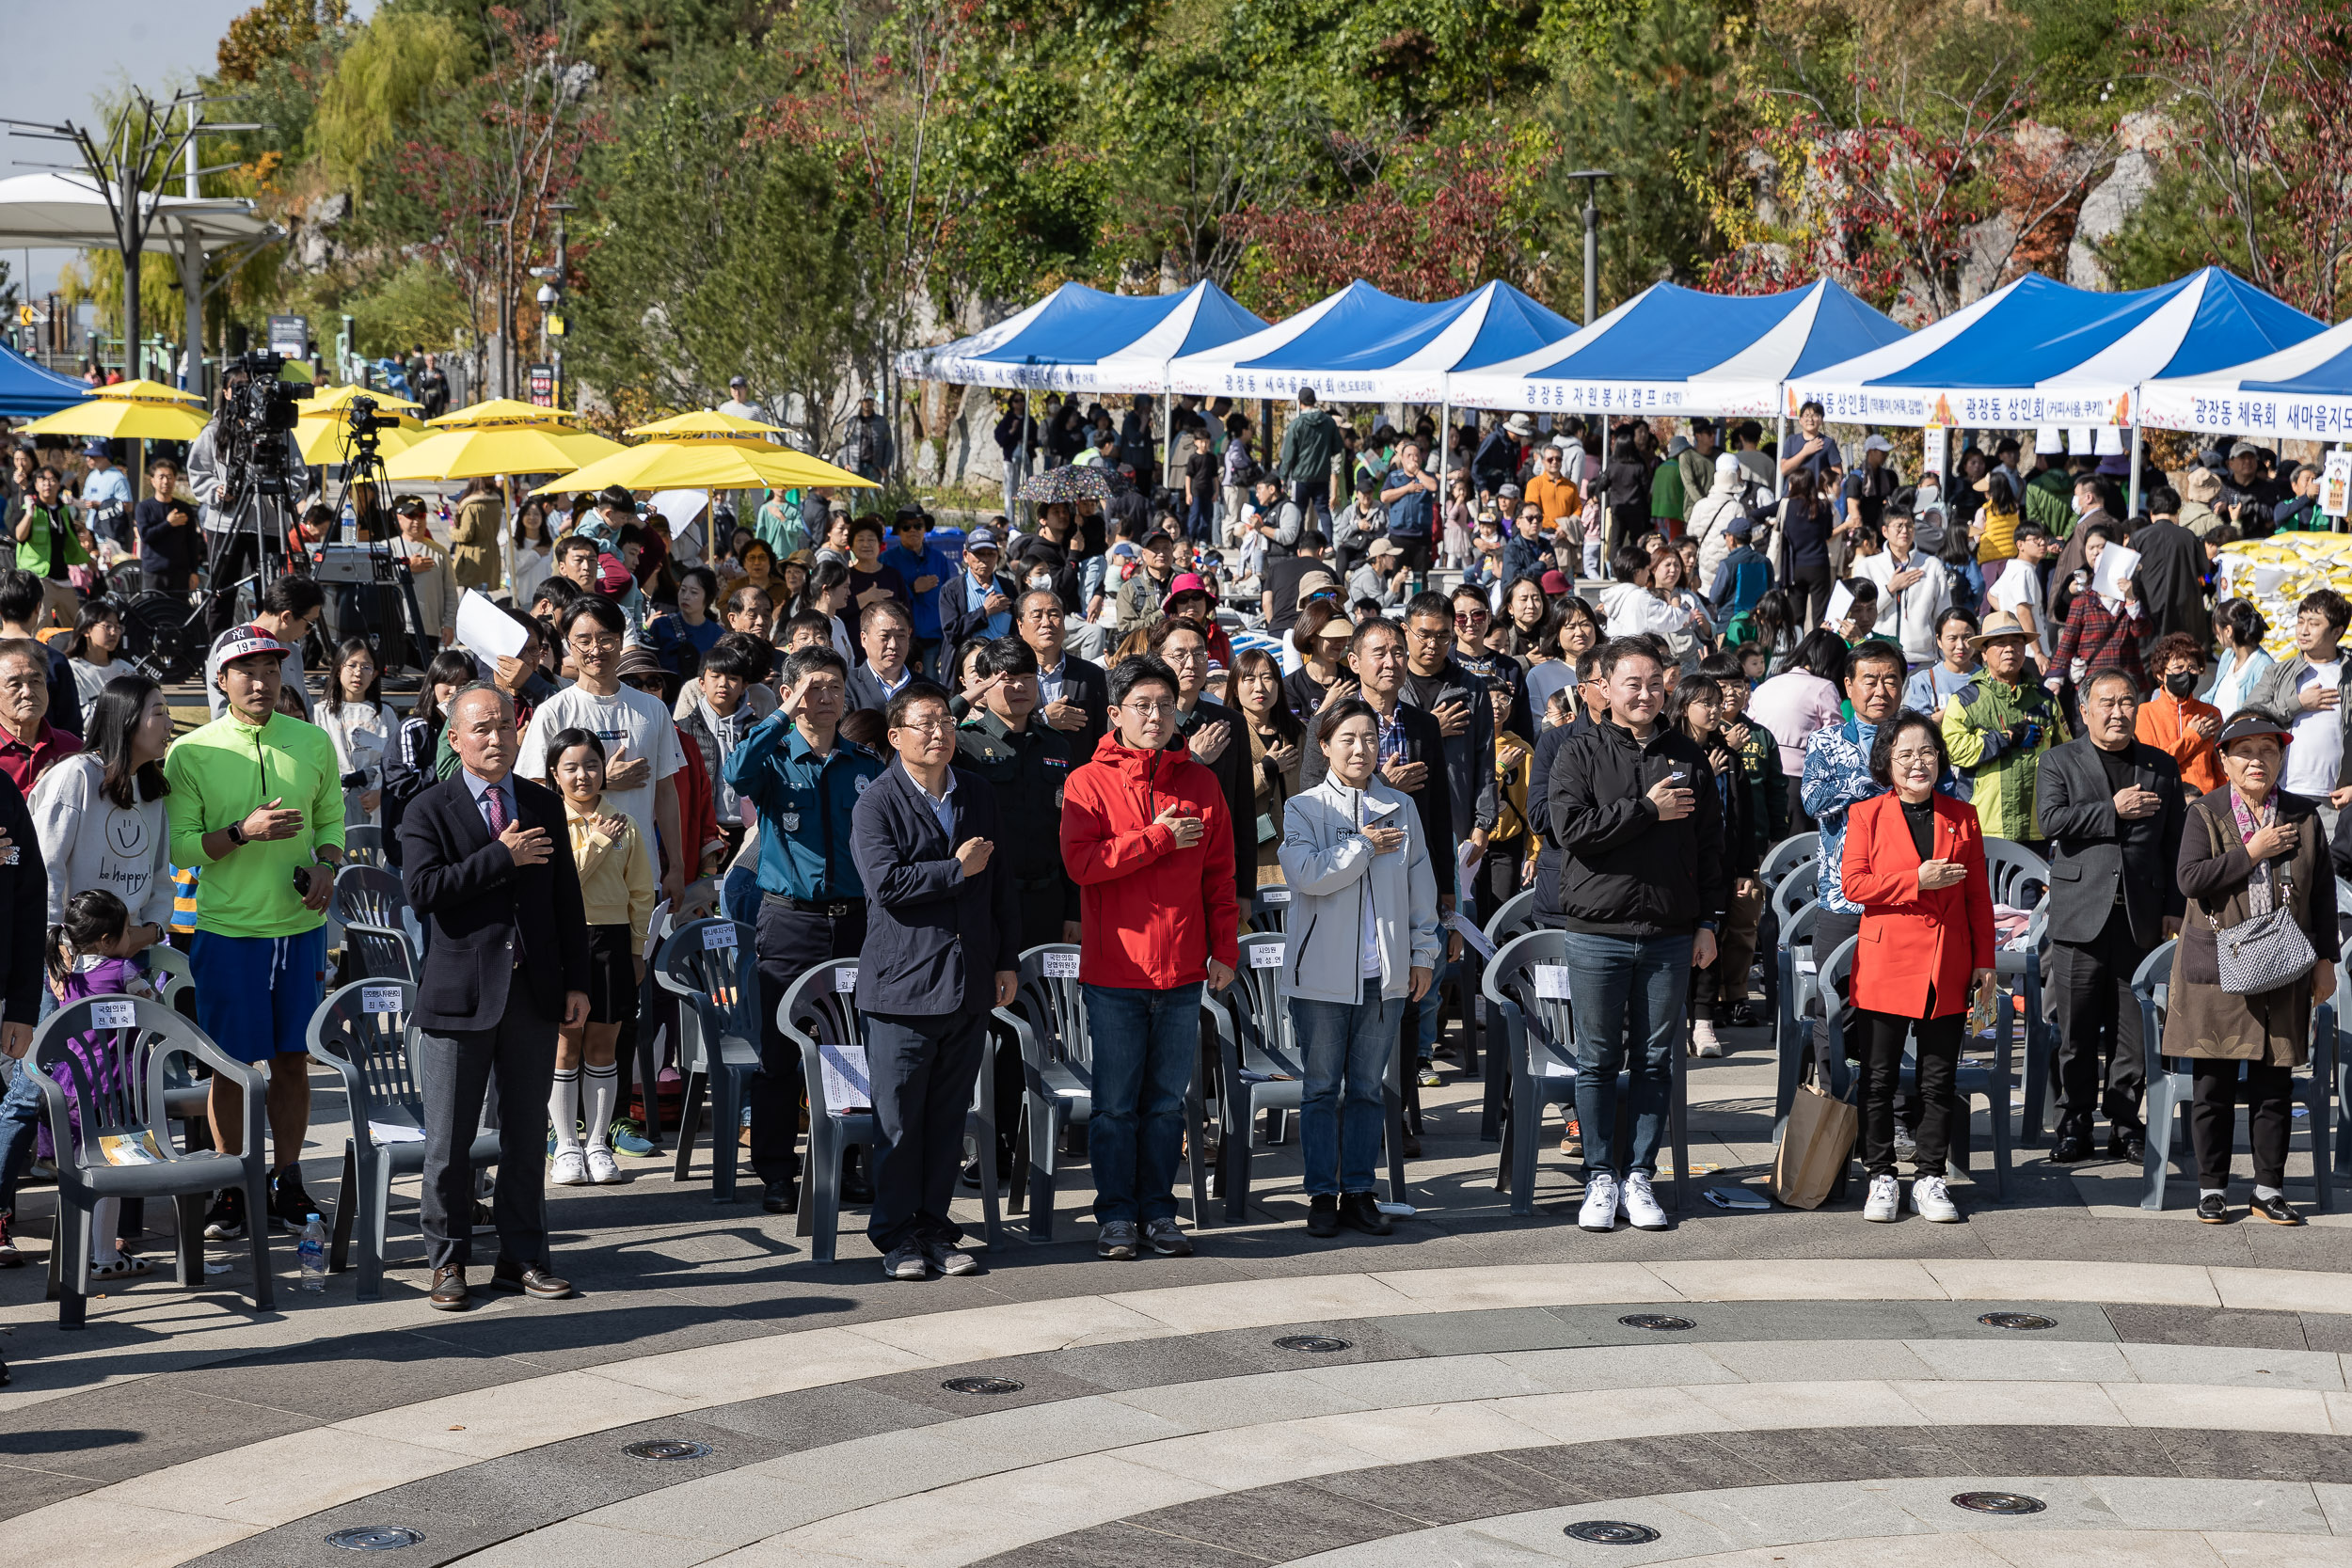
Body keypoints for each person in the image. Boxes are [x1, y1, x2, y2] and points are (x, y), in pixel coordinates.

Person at [399, 686, 589, 1308]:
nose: (496, 737)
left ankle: (523, 1257)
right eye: (481, 727)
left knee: (527, 1136)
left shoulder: (540, 801)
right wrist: (500, 856)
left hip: (532, 993)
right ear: (455, 739)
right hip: (458, 996)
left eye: (505, 725)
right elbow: (426, 890)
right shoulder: (429, 807)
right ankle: (448, 1262)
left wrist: (576, 982)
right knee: (449, 1142)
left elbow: (566, 898)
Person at [165, 623, 342, 1241]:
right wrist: (243, 831)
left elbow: (331, 817)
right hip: (227, 930)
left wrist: (328, 862)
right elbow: (182, 845)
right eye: (247, 669)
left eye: (272, 667)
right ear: (221, 680)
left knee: (293, 1059)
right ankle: (236, 1186)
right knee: (232, 1065)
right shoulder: (192, 752)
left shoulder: (313, 741)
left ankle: (287, 1181)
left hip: (300, 928)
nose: (262, 680)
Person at [1061, 654, 1237, 1259]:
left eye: (1165, 704)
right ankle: (1114, 1214)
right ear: (1115, 714)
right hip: (1115, 970)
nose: (1156, 716)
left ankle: (1159, 1211)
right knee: (1114, 1105)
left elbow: (1220, 877)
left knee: (1166, 1104)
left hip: (1184, 967)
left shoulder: (1201, 782)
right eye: (1142, 705)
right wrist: (1158, 837)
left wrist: (1226, 949)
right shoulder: (1088, 781)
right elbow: (1082, 865)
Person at [1548, 638, 1724, 1233]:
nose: (1645, 694)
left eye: (1655, 683)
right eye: (1632, 683)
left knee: (1655, 1060)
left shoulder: (1688, 758)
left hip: (1671, 931)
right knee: (1596, 1058)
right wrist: (1645, 810)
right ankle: (1600, 1174)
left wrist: (1707, 922)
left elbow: (1709, 850)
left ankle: (1639, 1174)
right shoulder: (1579, 752)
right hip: (1598, 929)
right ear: (1605, 687)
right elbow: (1570, 829)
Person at [849, 682, 1018, 1278]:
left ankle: (934, 1227)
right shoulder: (876, 801)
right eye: (924, 724)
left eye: (945, 721)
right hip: (903, 988)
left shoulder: (976, 791)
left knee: (947, 1121)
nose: (939, 732)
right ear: (895, 737)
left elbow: (1000, 886)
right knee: (899, 1122)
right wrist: (954, 869)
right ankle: (895, 1235)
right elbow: (886, 886)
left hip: (968, 980)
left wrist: (1006, 962)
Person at [1277, 696, 1440, 1239]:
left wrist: (1422, 953)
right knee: (1322, 1088)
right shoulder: (1304, 808)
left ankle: (1360, 1189)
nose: (1360, 749)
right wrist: (1361, 846)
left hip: (1384, 975)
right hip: (1320, 978)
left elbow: (1422, 888)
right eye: (1347, 738)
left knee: (1369, 1088)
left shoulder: (1402, 807)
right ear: (1323, 747)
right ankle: (1322, 1193)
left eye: (1370, 738)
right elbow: (1307, 875)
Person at [2169, 713, 2339, 1226]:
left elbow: (2325, 893)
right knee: (2212, 1084)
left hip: (2285, 963)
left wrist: (2326, 959)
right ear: (2224, 760)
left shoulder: (2303, 815)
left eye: (2268, 750)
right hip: (2220, 965)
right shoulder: (2205, 812)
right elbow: (2190, 880)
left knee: (2275, 1082)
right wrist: (2252, 851)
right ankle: (2212, 1187)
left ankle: (2268, 1188)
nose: (2257, 760)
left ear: (2281, 758)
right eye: (2244, 751)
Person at [1839, 710, 1994, 1224]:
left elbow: (1977, 896)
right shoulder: (1866, 814)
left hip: (1947, 961)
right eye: (1905, 754)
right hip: (1886, 960)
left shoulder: (1962, 814)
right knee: (1879, 1077)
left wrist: (1985, 962)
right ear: (1887, 761)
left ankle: (1930, 1176)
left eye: (1926, 751)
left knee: (1937, 1077)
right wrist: (1916, 880)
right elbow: (1854, 886)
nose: (1917, 762)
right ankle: (1880, 1174)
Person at [2035, 669, 2185, 1165]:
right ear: (2085, 710)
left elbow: (2174, 845)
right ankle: (2073, 1124)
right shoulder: (2059, 760)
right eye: (2107, 702)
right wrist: (2112, 809)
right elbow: (2051, 822)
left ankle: (2125, 1123)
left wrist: (2173, 911)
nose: (2118, 711)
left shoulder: (2161, 765)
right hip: (2080, 916)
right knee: (2074, 1032)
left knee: (2134, 1034)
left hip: (2140, 918)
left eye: (2126, 701)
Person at [543, 727, 657, 1188]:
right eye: (570, 767)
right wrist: (597, 842)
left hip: (611, 942)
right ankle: (567, 1143)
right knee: (566, 1043)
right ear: (554, 774)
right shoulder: (548, 823)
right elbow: (564, 884)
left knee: (604, 1045)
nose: (582, 775)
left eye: (591, 764)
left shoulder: (624, 823)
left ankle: (599, 1145)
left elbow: (641, 892)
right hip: (565, 941)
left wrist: (636, 949)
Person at [1797, 640, 1908, 1048]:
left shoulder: (1915, 740)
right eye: (1870, 681)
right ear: (1848, 685)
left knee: (1898, 1008)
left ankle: (1892, 1105)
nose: (1880, 691)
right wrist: (1870, 782)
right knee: (1837, 1007)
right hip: (1843, 896)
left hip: (1904, 896)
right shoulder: (1826, 742)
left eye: (1891, 680)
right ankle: (1836, 1102)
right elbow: (1813, 801)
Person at [1940, 610, 2068, 847]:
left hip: (2036, 826)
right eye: (2000, 643)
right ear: (1984, 654)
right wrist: (2007, 738)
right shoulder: (1966, 700)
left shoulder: (2045, 699)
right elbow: (1954, 751)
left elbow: (2066, 753)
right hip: (1985, 826)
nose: (2010, 649)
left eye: (2016, 643)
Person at [2244, 591, 2352, 806]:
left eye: (2313, 624)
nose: (2303, 630)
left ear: (2336, 631)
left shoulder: (2348, 675)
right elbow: (2248, 716)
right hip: (2283, 794)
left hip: (2337, 801)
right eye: (2300, 621)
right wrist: (2298, 704)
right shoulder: (2277, 673)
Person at [1231, 647, 1304, 888]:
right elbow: (1224, 795)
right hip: (1249, 862)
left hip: (1300, 856)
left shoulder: (1299, 732)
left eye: (1268, 677)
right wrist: (1267, 769)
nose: (1259, 687)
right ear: (1235, 687)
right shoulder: (1225, 735)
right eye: (1249, 679)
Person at [204, 575, 324, 723]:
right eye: (310, 623)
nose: (308, 631)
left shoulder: (293, 650)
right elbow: (221, 712)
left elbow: (305, 708)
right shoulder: (230, 643)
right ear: (286, 617)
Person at [1017, 586, 1109, 759]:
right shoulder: (1009, 676)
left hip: (1077, 777)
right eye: (1037, 616)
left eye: (1054, 614)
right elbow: (1002, 728)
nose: (1046, 622)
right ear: (1020, 626)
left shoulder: (1091, 675)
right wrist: (1043, 720)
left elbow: (1102, 734)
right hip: (1025, 776)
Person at [1854, 511, 1947, 666]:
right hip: (1879, 655)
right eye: (1899, 526)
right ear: (1885, 531)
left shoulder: (1931, 565)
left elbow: (1943, 615)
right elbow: (1859, 612)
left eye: (1909, 526)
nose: (1905, 531)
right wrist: (1890, 589)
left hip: (1923, 657)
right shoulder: (1868, 566)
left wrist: (1944, 657)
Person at [2137, 632, 2224, 798]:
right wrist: (2193, 737)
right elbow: (2153, 765)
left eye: (2192, 668)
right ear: (2160, 674)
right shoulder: (2145, 714)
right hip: (2164, 802)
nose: (2186, 673)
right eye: (2178, 668)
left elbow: (2221, 767)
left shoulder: (2210, 714)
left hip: (2206, 802)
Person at [315, 637, 389, 826]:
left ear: (374, 674)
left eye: (366, 667)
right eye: (352, 665)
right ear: (339, 668)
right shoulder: (319, 712)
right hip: (332, 797)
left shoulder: (384, 713)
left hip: (373, 796)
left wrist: (380, 793)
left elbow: (395, 761)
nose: (358, 673)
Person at [2130, 486, 2210, 650]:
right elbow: (2203, 569)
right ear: (2177, 512)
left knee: (2151, 664)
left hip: (2149, 613)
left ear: (2151, 512)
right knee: (2183, 663)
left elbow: (2131, 578)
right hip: (2184, 614)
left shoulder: (2139, 538)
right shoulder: (2189, 536)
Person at [8, 465, 87, 625]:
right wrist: (29, 514)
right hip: (39, 576)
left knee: (77, 625)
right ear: (36, 485)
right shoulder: (30, 506)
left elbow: (71, 538)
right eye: (42, 480)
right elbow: (19, 536)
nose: (47, 484)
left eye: (52, 480)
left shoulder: (62, 509)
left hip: (62, 577)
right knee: (41, 623)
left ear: (59, 484)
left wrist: (87, 560)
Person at [882, 509, 954, 672]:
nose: (913, 530)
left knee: (930, 688)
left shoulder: (939, 559)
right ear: (899, 532)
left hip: (933, 638)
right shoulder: (887, 560)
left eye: (918, 526)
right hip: (898, 638)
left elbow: (947, 599)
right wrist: (912, 589)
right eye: (906, 527)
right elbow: (885, 598)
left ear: (925, 530)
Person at [936, 526, 1014, 654]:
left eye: (991, 554)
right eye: (979, 554)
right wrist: (984, 612)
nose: (985, 559)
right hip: (967, 665)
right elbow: (951, 633)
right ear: (966, 556)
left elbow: (1016, 628)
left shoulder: (1008, 587)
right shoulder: (951, 590)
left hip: (1002, 663)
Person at [1279, 387, 1343, 529]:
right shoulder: (1329, 422)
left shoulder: (1296, 424)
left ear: (1300, 402)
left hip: (1301, 476)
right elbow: (1337, 447)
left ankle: (1299, 544)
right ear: (1314, 401)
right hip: (1322, 475)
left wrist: (1283, 474)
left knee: (1298, 511)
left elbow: (1289, 454)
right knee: (1323, 511)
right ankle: (1328, 545)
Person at [135, 462, 201, 596]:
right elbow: (146, 536)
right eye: (161, 477)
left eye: (170, 477)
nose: (166, 481)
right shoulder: (144, 507)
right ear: (153, 481)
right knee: (153, 612)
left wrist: (193, 571)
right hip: (154, 572)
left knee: (177, 613)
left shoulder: (184, 508)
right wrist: (168, 523)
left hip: (180, 572)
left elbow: (192, 542)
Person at [1902, 608, 1980, 719]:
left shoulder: (1988, 678)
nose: (1960, 646)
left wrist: (1942, 715)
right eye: (1952, 638)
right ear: (1939, 640)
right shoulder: (1923, 681)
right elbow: (1916, 725)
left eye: (1967, 638)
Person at [847, 598, 920, 713]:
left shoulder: (927, 688)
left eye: (901, 636)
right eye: (884, 636)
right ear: (864, 639)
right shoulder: (845, 685)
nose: (893, 645)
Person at [1379, 438, 1441, 573]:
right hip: (1399, 535)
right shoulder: (1394, 476)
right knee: (1398, 576)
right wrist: (1407, 489)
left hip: (1422, 536)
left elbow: (1434, 486)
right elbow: (1384, 497)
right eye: (1409, 455)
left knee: (1420, 579)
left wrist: (1418, 472)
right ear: (1402, 458)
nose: (1413, 459)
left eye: (1416, 455)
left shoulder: (1427, 476)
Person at [2207, 598, 2275, 718]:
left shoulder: (2263, 667)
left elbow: (2259, 714)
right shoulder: (2227, 656)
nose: (2216, 636)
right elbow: (2213, 694)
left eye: (2217, 632)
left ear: (2228, 631)